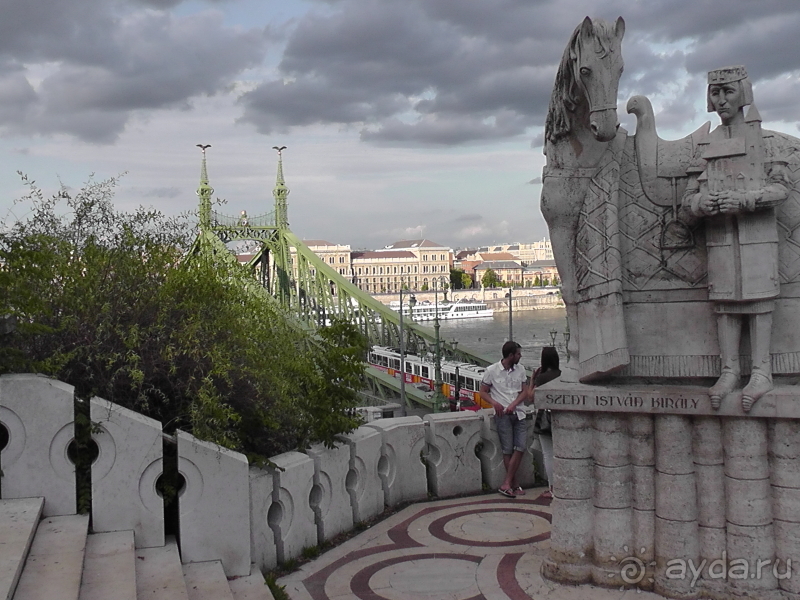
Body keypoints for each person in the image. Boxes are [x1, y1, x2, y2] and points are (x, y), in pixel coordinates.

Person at [681, 65, 790, 412]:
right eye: (715, 92)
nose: (721, 99)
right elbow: (687, 201)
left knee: (758, 302)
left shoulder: (766, 140)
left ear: (743, 92)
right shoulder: (705, 144)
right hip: (721, 239)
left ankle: (761, 371)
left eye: (727, 91)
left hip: (757, 238)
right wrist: (702, 203)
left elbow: (781, 190)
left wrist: (748, 199)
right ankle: (729, 370)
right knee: (726, 305)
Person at [480, 340, 530, 497]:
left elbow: (525, 391)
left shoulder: (521, 369)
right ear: (511, 355)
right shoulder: (491, 371)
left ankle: (507, 483)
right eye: (518, 354)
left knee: (520, 446)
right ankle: (513, 484)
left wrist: (515, 404)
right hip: (502, 416)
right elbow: (482, 391)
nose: (520, 356)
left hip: (519, 413)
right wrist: (495, 403)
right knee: (507, 449)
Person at [532, 347, 561, 499]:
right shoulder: (561, 375)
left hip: (544, 418)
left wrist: (532, 380)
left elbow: (531, 398)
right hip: (561, 418)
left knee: (548, 454)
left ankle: (552, 488)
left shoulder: (542, 378)